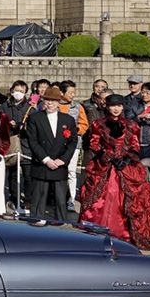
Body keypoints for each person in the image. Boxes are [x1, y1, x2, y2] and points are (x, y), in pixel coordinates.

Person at [78, 94, 150, 250]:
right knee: (103, 197)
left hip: (127, 167)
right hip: (105, 165)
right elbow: (94, 144)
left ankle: (125, 233)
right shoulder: (98, 124)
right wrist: (108, 156)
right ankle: (99, 230)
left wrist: (127, 158)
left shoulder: (132, 125)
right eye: (113, 105)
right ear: (107, 106)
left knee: (130, 199)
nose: (116, 109)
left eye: (119, 105)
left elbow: (135, 145)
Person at [25, 86, 79, 222]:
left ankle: (61, 226)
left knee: (60, 201)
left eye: (53, 101)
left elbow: (73, 142)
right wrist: (46, 159)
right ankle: (36, 227)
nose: (50, 103)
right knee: (39, 201)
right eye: (47, 100)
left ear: (59, 102)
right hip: (42, 164)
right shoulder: (35, 118)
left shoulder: (68, 120)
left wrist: (63, 160)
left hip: (60, 165)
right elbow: (33, 141)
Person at [57, 81, 90, 211]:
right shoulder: (54, 105)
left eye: (73, 92)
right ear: (61, 93)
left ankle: (71, 199)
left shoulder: (78, 107)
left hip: (73, 144)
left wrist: (76, 130)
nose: (73, 95)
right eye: (70, 92)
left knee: (71, 171)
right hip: (56, 144)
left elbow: (84, 124)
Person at [0, 81, 32, 208]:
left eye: (22, 91)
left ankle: (29, 199)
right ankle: (14, 198)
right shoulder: (4, 105)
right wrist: (8, 124)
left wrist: (21, 125)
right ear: (12, 90)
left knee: (28, 174)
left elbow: (34, 125)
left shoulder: (30, 106)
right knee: (12, 173)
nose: (19, 93)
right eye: (16, 90)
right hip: (11, 141)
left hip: (26, 142)